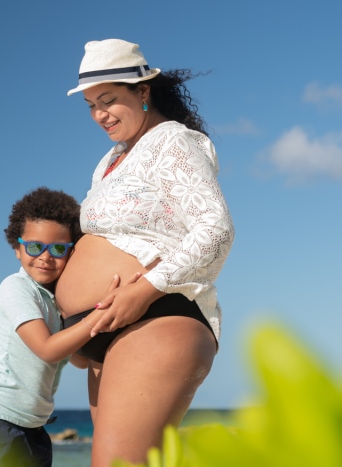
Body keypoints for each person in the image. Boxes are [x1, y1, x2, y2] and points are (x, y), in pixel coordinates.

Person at [56, 39, 234, 466]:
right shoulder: (109, 161)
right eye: (91, 106)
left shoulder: (170, 140)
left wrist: (144, 290)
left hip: (155, 315)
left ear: (143, 91)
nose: (100, 115)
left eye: (109, 100)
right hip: (106, 328)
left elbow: (216, 228)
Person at [0, 186, 140, 467]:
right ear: (17, 248)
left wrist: (101, 311)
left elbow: (77, 359)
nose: (45, 256)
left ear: (70, 252)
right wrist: (100, 314)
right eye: (34, 247)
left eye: (57, 249)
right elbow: (47, 350)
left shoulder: (56, 301)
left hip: (34, 427)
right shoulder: (15, 289)